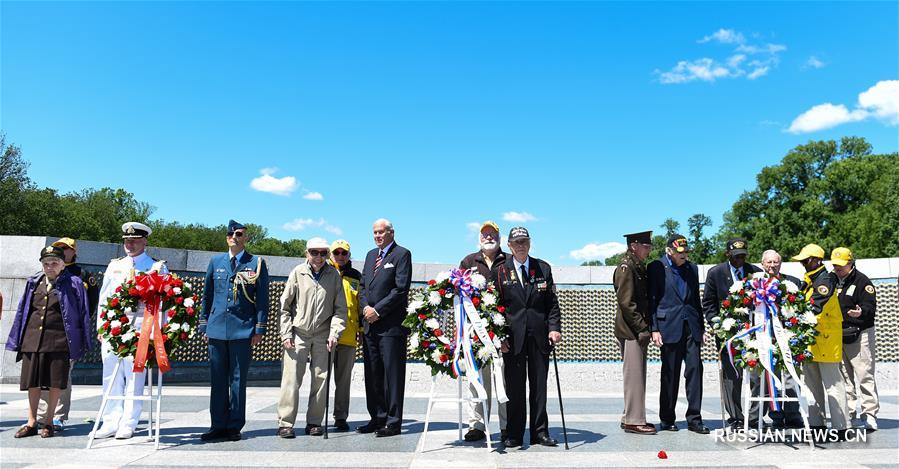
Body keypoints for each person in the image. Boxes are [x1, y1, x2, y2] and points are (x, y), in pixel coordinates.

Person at [7, 245, 92, 438]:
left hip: (60, 340)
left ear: (63, 265)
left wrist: (82, 340)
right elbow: (23, 311)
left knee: (55, 383)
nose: (49, 267)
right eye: (46, 263)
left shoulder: (74, 283)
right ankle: (31, 422)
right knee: (32, 383)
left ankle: (49, 422)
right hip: (33, 340)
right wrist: (18, 338)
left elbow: (83, 313)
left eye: (54, 263)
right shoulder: (34, 282)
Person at [94, 222, 168, 440]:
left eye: (134, 240)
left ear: (144, 241)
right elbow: (104, 298)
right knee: (110, 374)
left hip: (140, 326)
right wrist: (101, 325)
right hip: (114, 326)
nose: (130, 244)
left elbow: (164, 302)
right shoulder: (114, 265)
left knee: (135, 374)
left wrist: (158, 330)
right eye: (126, 240)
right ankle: (110, 420)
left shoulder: (157, 267)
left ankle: (129, 422)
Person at [199, 220, 270, 442]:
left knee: (238, 380)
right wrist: (204, 324)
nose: (234, 237)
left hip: (243, 329)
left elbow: (262, 300)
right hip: (217, 328)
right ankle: (217, 425)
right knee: (218, 380)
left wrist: (259, 328)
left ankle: (234, 426)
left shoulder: (256, 263)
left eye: (239, 234)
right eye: (231, 234)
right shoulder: (216, 261)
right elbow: (207, 296)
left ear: (246, 238)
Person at [491, 226, 561, 448]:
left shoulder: (543, 268)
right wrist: (498, 336)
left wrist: (554, 328)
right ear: (509, 246)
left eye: (524, 241)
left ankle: (540, 432)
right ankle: (514, 433)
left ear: (530, 243)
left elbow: (552, 304)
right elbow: (495, 308)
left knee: (539, 387)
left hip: (540, 337)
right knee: (515, 388)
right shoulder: (500, 271)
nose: (521, 245)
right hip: (512, 338)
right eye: (516, 242)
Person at [277, 238, 347, 438]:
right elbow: (285, 307)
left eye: (323, 253)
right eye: (314, 252)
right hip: (299, 333)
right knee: (291, 379)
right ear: (306, 253)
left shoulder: (333, 275)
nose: (318, 257)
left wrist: (335, 332)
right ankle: (285, 422)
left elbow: (340, 309)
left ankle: (315, 422)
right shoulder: (297, 272)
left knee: (321, 379)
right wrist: (286, 333)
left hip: (323, 334)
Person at [648, 234, 709, 434]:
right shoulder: (656, 267)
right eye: (680, 253)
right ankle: (667, 418)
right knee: (670, 374)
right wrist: (654, 328)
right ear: (669, 251)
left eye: (686, 253)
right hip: (668, 326)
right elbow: (652, 299)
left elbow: (695, 301)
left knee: (695, 371)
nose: (684, 257)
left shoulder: (692, 268)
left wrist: (701, 327)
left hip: (691, 326)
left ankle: (694, 419)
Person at [37, 237, 100, 432]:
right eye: (59, 248)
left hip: (69, 333)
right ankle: (41, 415)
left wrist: (78, 325)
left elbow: (90, 303)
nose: (62, 251)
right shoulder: (45, 274)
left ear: (74, 252)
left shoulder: (81, 274)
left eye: (66, 248)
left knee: (62, 374)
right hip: (45, 332)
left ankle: (58, 416)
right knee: (41, 374)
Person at [357, 219, 412, 437]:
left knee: (392, 376)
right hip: (369, 326)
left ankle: (393, 421)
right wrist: (365, 308)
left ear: (391, 232)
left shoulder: (402, 254)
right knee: (372, 374)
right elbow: (362, 286)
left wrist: (377, 310)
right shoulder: (371, 255)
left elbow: (400, 289)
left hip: (390, 327)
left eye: (381, 232)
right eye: (375, 232)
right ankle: (377, 418)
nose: (378, 236)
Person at [701, 238, 761, 430]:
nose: (740, 260)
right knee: (731, 377)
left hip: (754, 331)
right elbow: (709, 304)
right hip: (728, 334)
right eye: (736, 257)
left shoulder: (756, 273)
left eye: (743, 256)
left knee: (757, 376)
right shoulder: (716, 273)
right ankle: (735, 416)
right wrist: (717, 324)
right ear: (728, 254)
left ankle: (754, 417)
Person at [458, 220, 509, 442]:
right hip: (475, 334)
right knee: (476, 379)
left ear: (499, 238)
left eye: (492, 234)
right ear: (479, 238)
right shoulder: (468, 261)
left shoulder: (509, 260)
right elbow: (458, 296)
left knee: (505, 379)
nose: (488, 237)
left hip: (503, 331)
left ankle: (507, 426)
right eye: (485, 234)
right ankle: (477, 425)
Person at [793, 244, 849, 433]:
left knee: (833, 385)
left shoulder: (825, 280)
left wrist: (793, 318)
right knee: (812, 385)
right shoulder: (808, 280)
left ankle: (841, 427)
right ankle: (817, 425)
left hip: (826, 340)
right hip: (810, 341)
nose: (802, 263)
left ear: (817, 260)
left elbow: (815, 306)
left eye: (806, 260)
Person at [830, 247, 879, 431]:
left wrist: (861, 312)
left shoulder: (862, 281)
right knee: (844, 376)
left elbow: (870, 305)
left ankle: (870, 413)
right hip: (838, 334)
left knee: (864, 373)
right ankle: (849, 412)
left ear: (851, 263)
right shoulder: (831, 279)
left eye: (841, 266)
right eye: (835, 265)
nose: (838, 269)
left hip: (860, 333)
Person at [613, 231, 657, 435]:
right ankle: (634, 420)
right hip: (630, 330)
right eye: (646, 247)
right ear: (634, 246)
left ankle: (630, 415)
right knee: (634, 376)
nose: (649, 250)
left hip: (634, 329)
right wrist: (642, 328)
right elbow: (626, 302)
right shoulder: (626, 267)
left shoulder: (636, 265)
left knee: (637, 374)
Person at [759, 249, 804, 428]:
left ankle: (793, 414)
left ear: (780, 263)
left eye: (775, 262)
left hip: (788, 336)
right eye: (768, 262)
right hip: (765, 336)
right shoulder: (755, 283)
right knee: (772, 377)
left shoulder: (792, 282)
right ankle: (776, 414)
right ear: (762, 264)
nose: (772, 265)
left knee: (792, 377)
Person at [328, 239, 363, 433]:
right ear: (330, 254)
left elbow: (359, 305)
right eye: (337, 253)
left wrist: (362, 331)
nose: (340, 256)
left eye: (344, 253)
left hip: (349, 336)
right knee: (322, 379)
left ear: (349, 256)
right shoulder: (324, 272)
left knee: (343, 381)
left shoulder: (356, 276)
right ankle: (316, 417)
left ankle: (340, 417)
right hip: (326, 336)